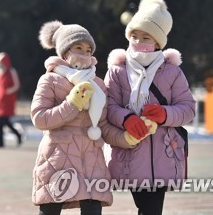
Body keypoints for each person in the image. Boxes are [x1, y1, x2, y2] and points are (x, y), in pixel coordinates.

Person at [31, 20, 136, 215]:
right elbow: (39, 118)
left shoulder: (97, 84)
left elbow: (103, 125)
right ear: (64, 52)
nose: (85, 53)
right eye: (78, 47)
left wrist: (126, 138)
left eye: (88, 50)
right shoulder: (50, 79)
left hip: (92, 160)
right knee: (51, 211)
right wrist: (72, 104)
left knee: (93, 210)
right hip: (57, 159)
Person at [105, 0, 195, 215]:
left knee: (151, 209)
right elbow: (109, 106)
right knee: (146, 207)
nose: (137, 42)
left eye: (145, 37)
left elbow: (188, 108)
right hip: (130, 150)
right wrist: (126, 119)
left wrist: (164, 114)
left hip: (162, 154)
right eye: (134, 35)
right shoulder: (117, 70)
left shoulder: (172, 71)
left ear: (157, 41)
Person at [0, 52, 22, 147]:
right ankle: (2, 141)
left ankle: (2, 141)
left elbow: (16, 85)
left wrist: (8, 91)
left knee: (2, 121)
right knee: (2, 122)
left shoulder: (12, 71)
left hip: (7, 101)